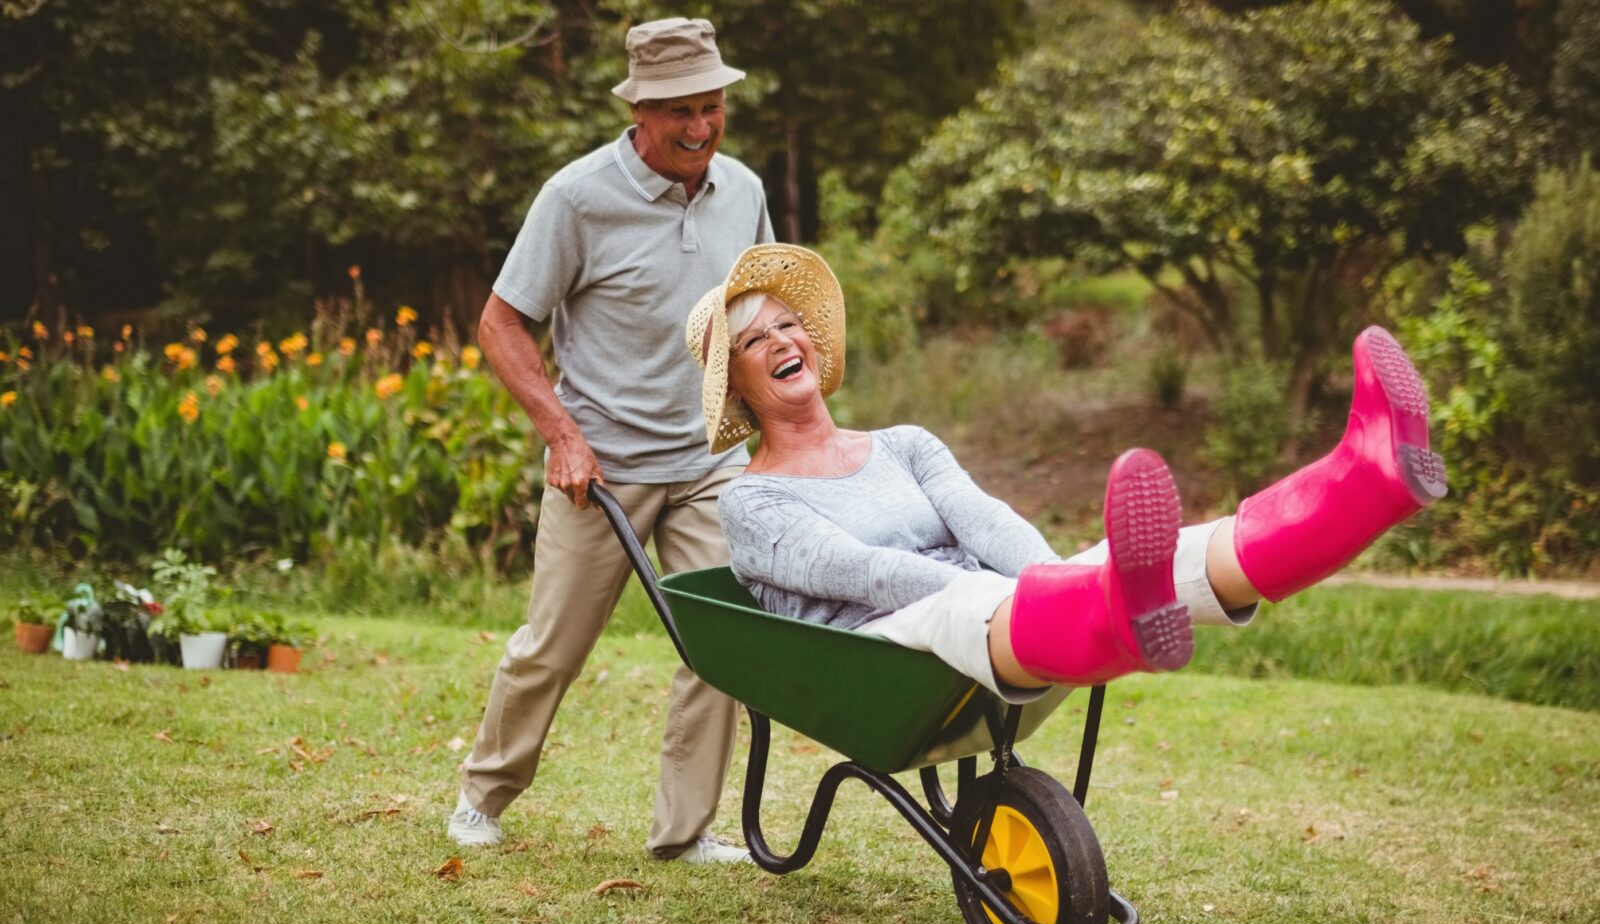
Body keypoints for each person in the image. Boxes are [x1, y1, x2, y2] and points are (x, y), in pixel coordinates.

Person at [683, 244, 1447, 698]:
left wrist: (1060, 577)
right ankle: (1095, 609)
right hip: (884, 653)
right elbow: (865, 573)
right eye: (755, 341)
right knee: (980, 601)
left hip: (1000, 617)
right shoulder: (754, 502)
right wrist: (1032, 595)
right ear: (736, 385)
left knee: (1179, 552)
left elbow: (985, 520)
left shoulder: (905, 443)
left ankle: (1366, 481)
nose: (783, 342)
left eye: (789, 324)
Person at [449, 17, 774, 863]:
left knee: (720, 641)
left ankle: (684, 832)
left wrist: (776, 430)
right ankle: (482, 797)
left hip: (708, 460)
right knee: (552, 647)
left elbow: (759, 316)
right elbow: (500, 323)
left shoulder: (742, 190)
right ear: (640, 112)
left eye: (712, 107)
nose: (700, 127)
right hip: (600, 469)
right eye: (680, 113)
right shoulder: (577, 198)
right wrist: (562, 435)